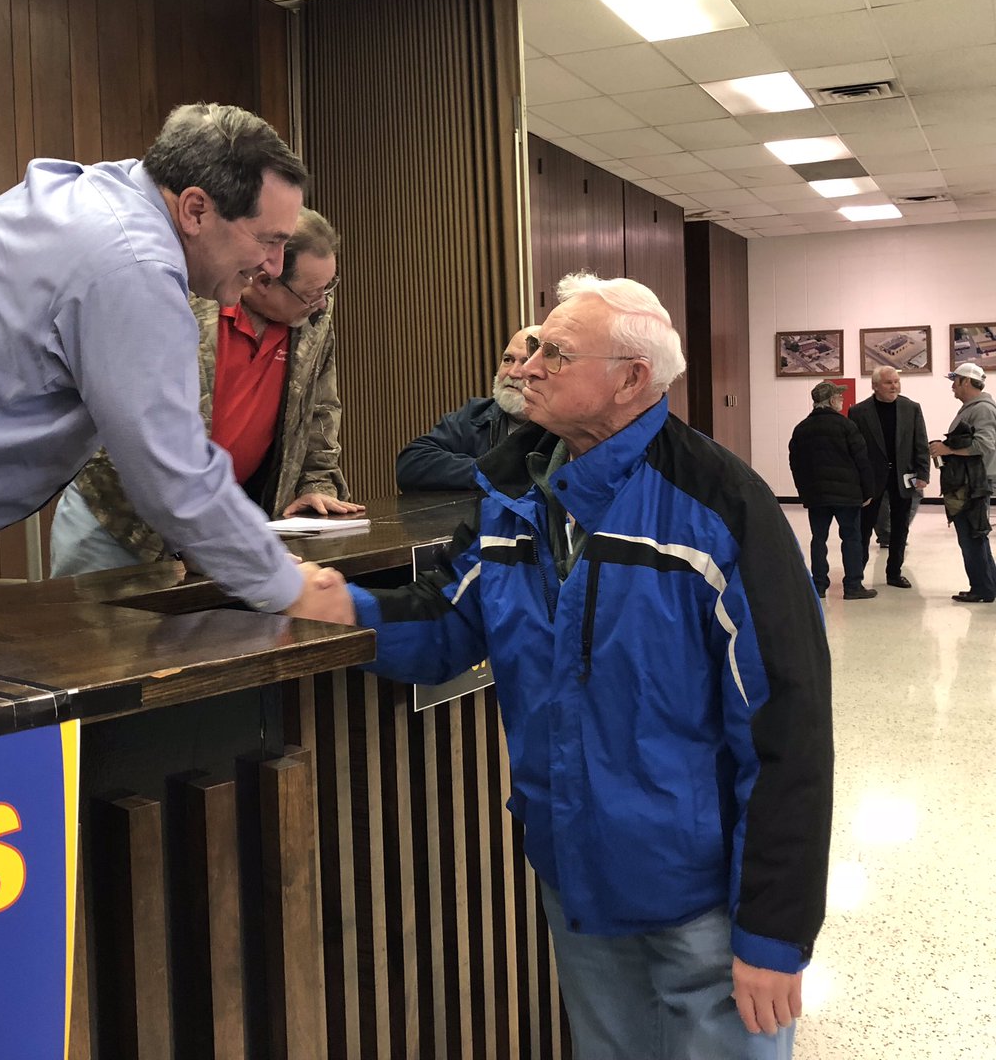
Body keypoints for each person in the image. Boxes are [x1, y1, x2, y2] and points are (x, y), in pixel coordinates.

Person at [302, 274, 833, 1059]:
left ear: (631, 380)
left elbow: (789, 727)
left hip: (700, 905)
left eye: (557, 352)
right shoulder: (516, 494)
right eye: (536, 347)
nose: (529, 364)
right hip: (574, 875)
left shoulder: (722, 509)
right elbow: (452, 621)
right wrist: (343, 607)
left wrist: (775, 931)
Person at [0, 102, 344, 639]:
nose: (272, 265)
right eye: (268, 239)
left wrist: (225, 550)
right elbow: (171, 470)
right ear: (196, 209)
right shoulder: (134, 262)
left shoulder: (104, 196)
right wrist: (285, 587)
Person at [50, 207, 363, 576]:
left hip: (225, 523)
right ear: (264, 279)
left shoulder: (310, 317)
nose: (323, 303)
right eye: (312, 293)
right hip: (118, 521)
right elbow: (132, 425)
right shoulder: (177, 298)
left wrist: (315, 484)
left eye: (328, 288)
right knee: (95, 631)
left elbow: (320, 410)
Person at [395, 325, 538, 490]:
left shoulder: (561, 426)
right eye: (508, 360)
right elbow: (411, 464)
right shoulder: (477, 415)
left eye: (525, 363)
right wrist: (489, 472)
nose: (513, 372)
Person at [789, 381, 876, 600]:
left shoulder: (801, 428)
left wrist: (804, 492)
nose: (842, 400)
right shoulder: (846, 426)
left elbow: (796, 464)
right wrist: (868, 491)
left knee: (819, 538)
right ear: (830, 401)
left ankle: (818, 586)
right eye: (839, 397)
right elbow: (862, 460)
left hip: (817, 495)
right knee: (851, 538)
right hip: (848, 495)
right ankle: (853, 585)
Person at [848, 365, 929, 589]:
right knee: (864, 527)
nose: (894, 386)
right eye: (888, 382)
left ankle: (894, 573)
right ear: (875, 386)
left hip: (904, 476)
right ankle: (856, 576)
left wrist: (923, 473)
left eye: (896, 382)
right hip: (872, 480)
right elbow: (854, 449)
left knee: (900, 527)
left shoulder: (911, 408)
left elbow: (920, 442)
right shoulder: (859, 412)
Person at [929, 362, 996, 603]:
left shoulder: (982, 410)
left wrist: (947, 449)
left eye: (954, 382)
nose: (952, 388)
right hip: (970, 484)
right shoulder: (972, 408)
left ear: (966, 381)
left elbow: (984, 445)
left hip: (973, 486)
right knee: (976, 536)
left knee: (971, 537)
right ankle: (988, 585)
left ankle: (982, 589)